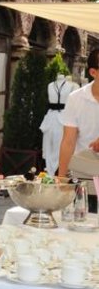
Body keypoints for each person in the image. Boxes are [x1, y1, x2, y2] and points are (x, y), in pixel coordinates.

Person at [58, 49, 99, 213]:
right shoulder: (76, 98)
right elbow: (68, 141)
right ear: (93, 72)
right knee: (83, 222)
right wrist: (62, 178)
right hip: (84, 174)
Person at [39, 73, 77, 175]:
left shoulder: (70, 85)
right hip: (51, 118)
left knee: (61, 143)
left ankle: (58, 170)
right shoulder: (50, 85)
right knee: (49, 143)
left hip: (62, 118)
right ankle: (49, 170)